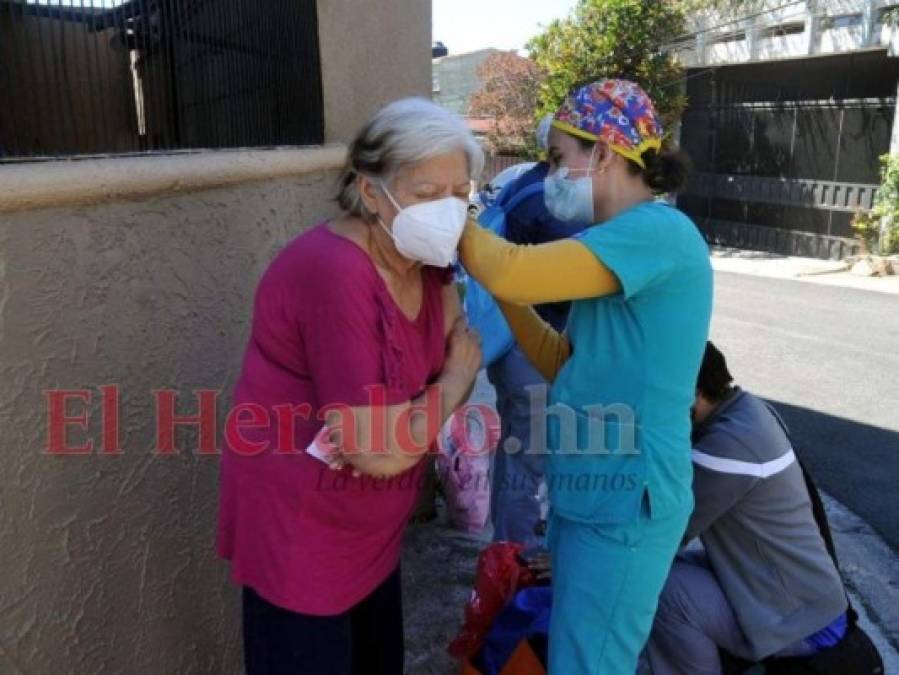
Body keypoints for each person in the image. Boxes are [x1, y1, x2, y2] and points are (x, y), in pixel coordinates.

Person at [216, 98, 483, 675]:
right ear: (369, 192)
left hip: (371, 527)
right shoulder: (334, 271)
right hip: (303, 524)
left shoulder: (426, 261)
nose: (449, 210)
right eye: (425, 192)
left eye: (460, 192)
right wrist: (458, 379)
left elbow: (454, 335)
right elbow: (377, 449)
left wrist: (427, 404)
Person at [459, 79, 713, 674]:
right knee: (575, 650)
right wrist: (507, 298)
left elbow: (514, 270)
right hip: (594, 493)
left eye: (558, 158)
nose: (551, 175)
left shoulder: (658, 233)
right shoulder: (611, 244)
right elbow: (563, 364)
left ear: (602, 152)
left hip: (628, 500)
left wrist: (438, 206)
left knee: (588, 663)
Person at [646, 342, 850, 675]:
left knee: (661, 590)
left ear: (693, 395)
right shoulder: (748, 410)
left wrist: (580, 558)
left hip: (803, 622)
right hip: (799, 594)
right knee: (671, 569)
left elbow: (658, 532)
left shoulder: (727, 449)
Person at [487, 114, 589, 548]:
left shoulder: (523, 182)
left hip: (515, 343)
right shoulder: (551, 202)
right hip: (532, 346)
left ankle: (507, 546)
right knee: (527, 462)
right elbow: (569, 288)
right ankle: (516, 557)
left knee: (517, 455)